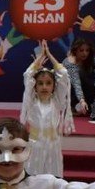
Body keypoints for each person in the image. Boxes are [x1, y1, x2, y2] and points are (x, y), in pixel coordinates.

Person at [20, 41, 73, 178]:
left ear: (54, 86)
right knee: (33, 177)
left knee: (52, 178)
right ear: (35, 86)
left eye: (48, 83)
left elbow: (64, 74)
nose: (44, 87)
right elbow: (28, 74)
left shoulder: (57, 101)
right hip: (34, 145)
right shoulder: (31, 101)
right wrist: (39, 60)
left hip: (53, 145)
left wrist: (49, 54)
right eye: (40, 83)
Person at [63, 38, 95, 117]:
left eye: (87, 50)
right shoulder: (70, 63)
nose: (85, 53)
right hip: (70, 90)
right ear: (75, 50)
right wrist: (82, 100)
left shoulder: (89, 58)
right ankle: (72, 106)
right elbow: (76, 84)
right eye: (81, 50)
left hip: (86, 87)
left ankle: (93, 104)